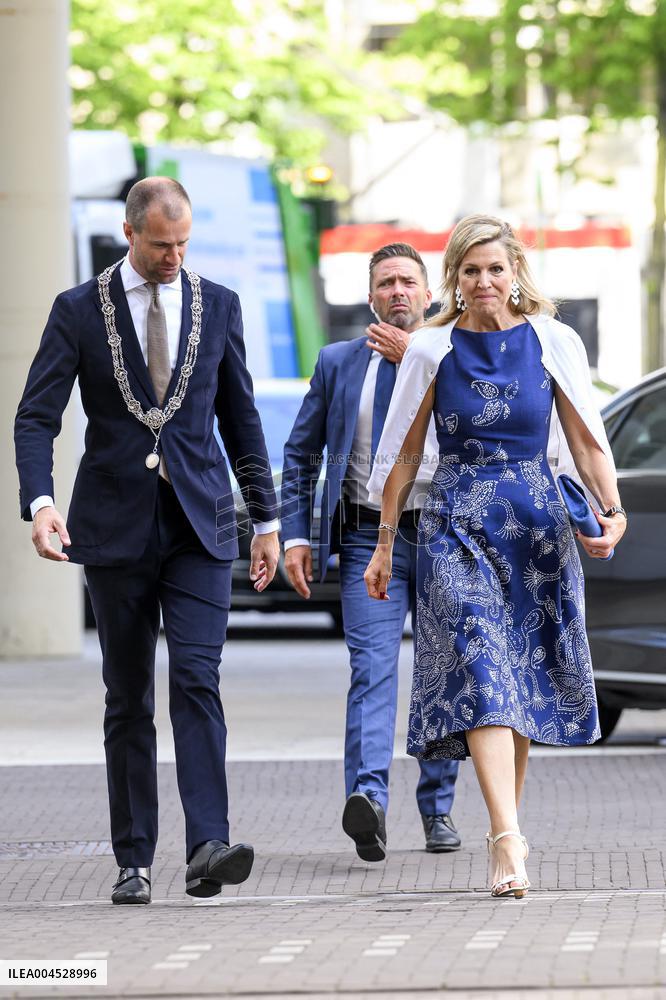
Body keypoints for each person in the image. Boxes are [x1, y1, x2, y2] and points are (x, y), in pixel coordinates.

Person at [14, 177, 280, 905]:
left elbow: (242, 419)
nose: (174, 256)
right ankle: (133, 858)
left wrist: (266, 520)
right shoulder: (77, 310)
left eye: (184, 243)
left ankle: (207, 847)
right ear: (131, 234)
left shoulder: (217, 304)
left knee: (197, 678)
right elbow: (36, 417)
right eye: (162, 244)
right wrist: (40, 501)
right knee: (128, 695)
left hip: (199, 525)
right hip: (112, 528)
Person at [364, 215, 626, 897]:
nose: (483, 281)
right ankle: (507, 840)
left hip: (536, 531)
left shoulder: (552, 341)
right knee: (483, 671)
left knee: (520, 686)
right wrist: (385, 543)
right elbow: (405, 454)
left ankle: (505, 827)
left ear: (515, 275)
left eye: (495, 269)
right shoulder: (429, 349)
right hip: (454, 524)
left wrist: (613, 511)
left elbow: (588, 439)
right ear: (454, 277)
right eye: (470, 270)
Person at [281, 243, 460, 862]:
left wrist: (421, 360)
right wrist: (297, 534)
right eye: (386, 283)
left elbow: (482, 427)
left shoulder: (454, 356)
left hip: (443, 533)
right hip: (364, 538)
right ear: (370, 297)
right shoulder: (337, 363)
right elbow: (301, 453)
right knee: (372, 669)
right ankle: (369, 803)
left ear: (429, 292)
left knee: (443, 672)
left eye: (408, 282)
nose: (398, 293)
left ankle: (438, 809)